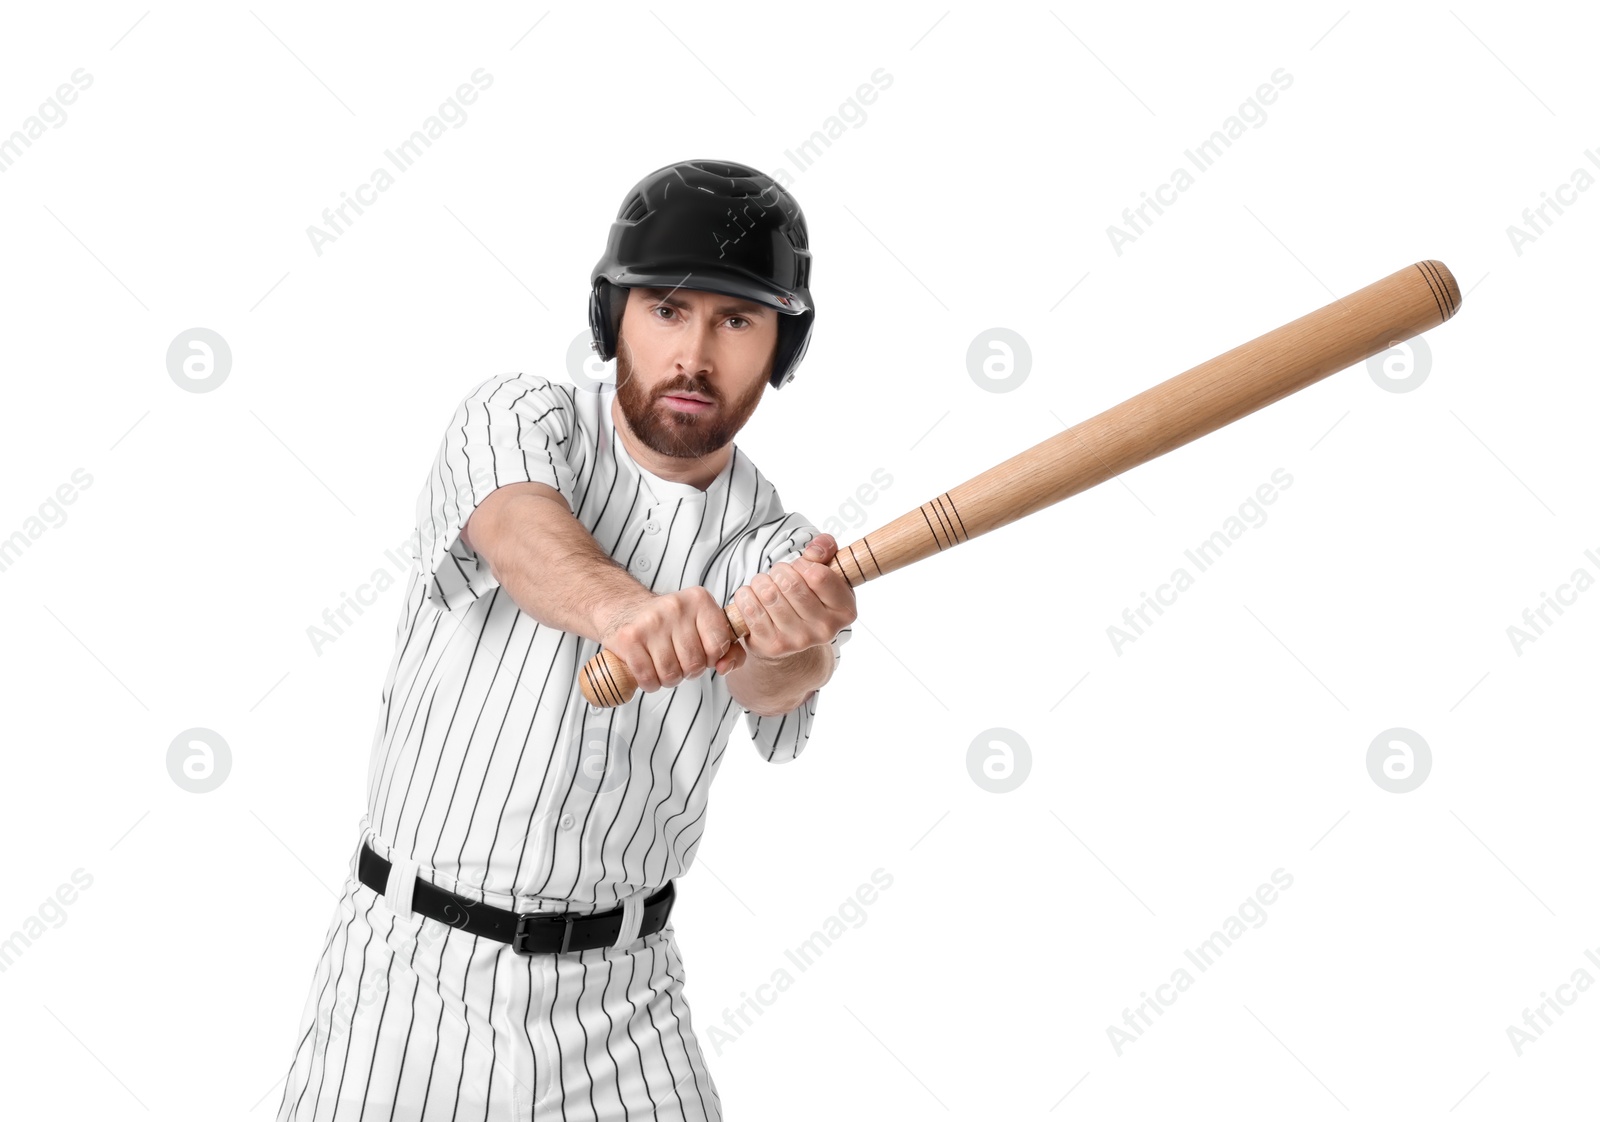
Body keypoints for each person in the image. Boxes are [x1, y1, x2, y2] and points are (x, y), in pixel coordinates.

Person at [275, 159, 855, 1120]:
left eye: (738, 320)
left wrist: (795, 642)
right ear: (611, 318)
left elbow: (780, 679)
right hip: (401, 977)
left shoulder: (775, 542)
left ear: (781, 349)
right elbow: (517, 531)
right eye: (668, 311)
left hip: (621, 1005)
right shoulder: (517, 417)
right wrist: (630, 613)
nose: (696, 356)